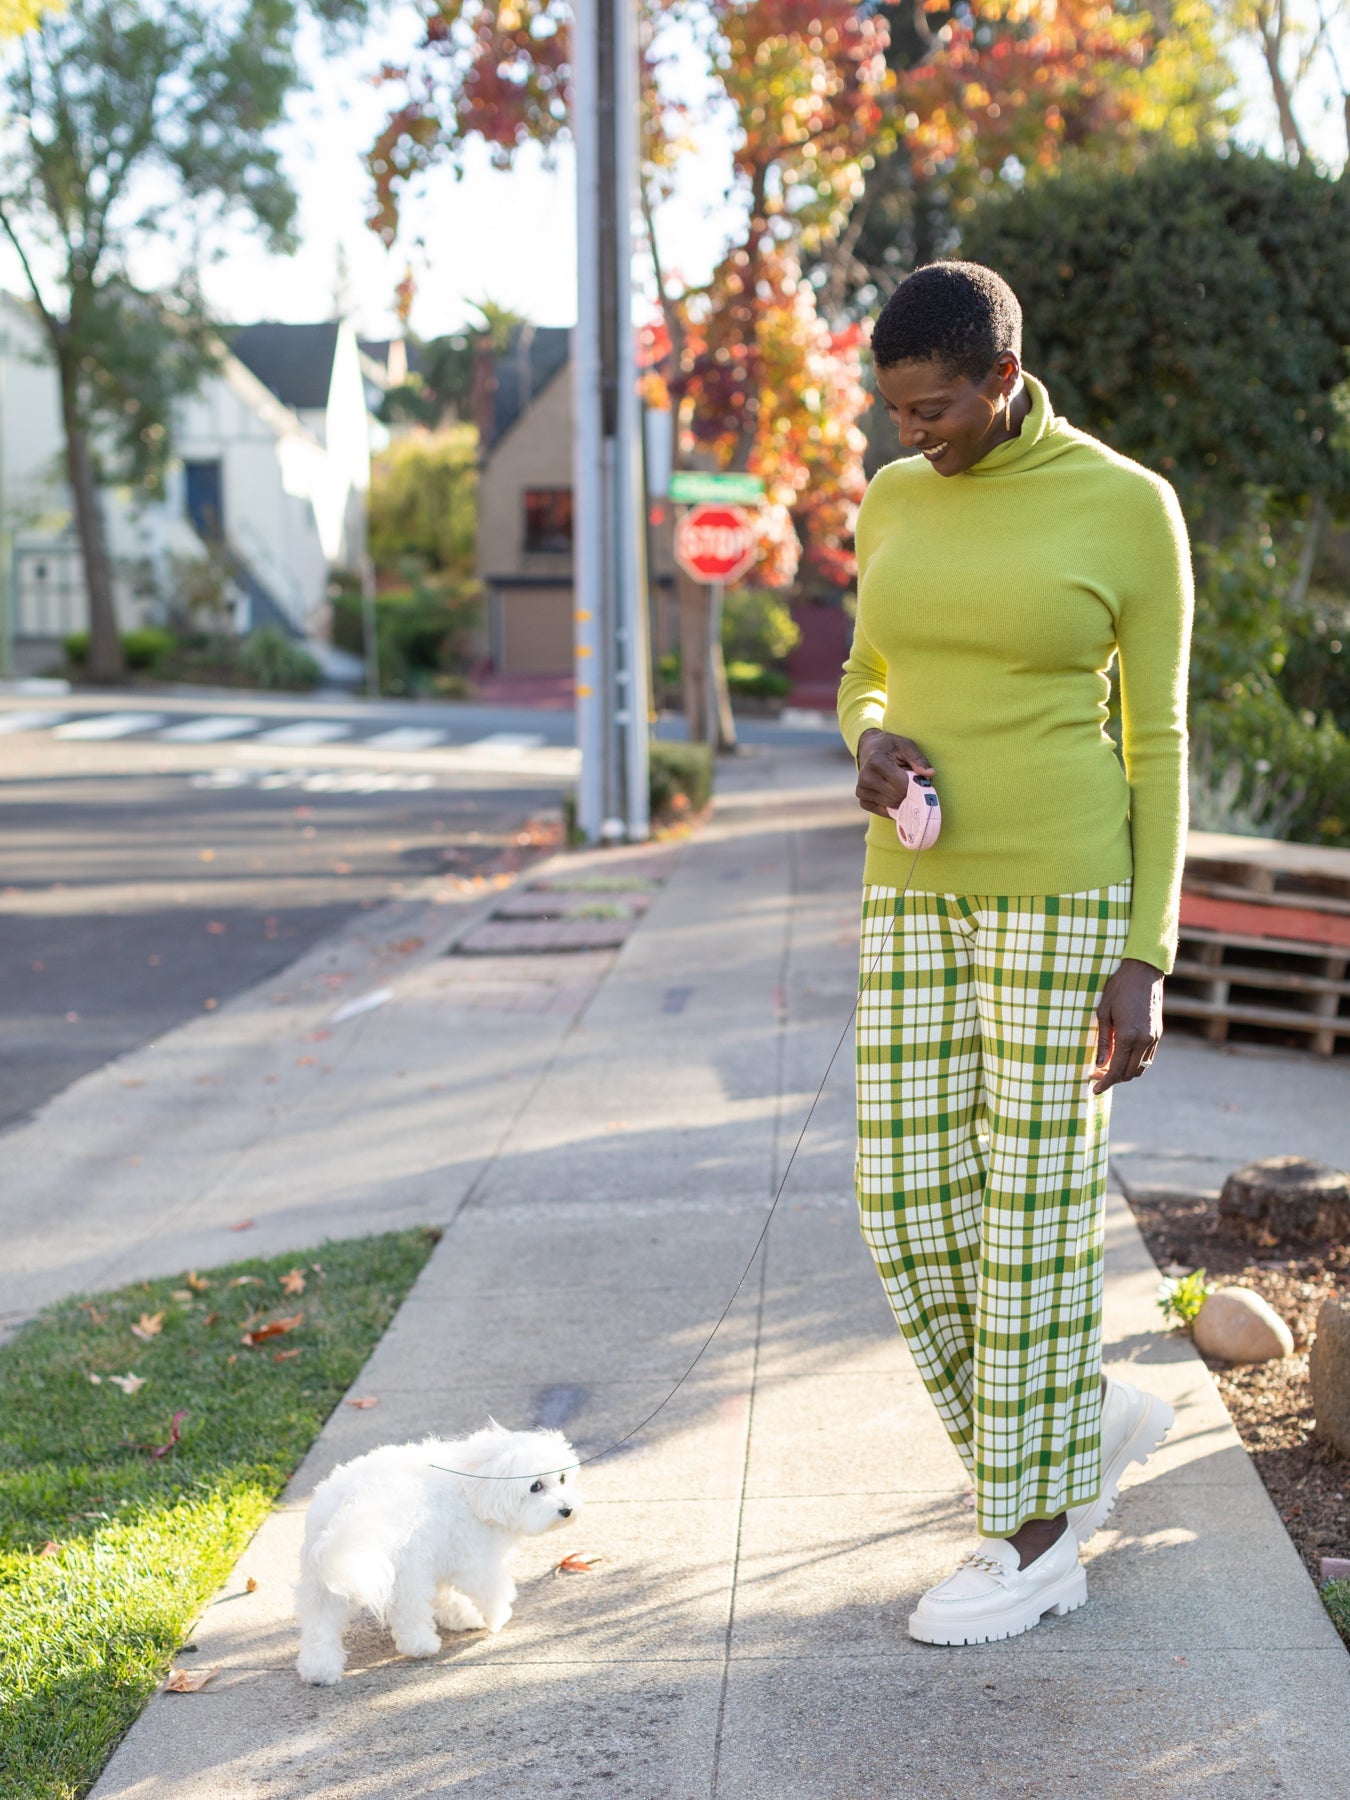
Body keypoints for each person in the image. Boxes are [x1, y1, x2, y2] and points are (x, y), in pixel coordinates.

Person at [838, 260, 1192, 1647]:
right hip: (913, 888)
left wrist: (1147, 952)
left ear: (1002, 376)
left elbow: (1158, 742)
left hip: (1066, 895)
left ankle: (1033, 1539)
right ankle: (1077, 1420)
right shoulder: (890, 497)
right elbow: (866, 668)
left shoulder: (1125, 505)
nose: (909, 433)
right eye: (893, 410)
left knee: (1032, 1218)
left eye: (931, 408)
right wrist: (866, 741)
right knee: (904, 1203)